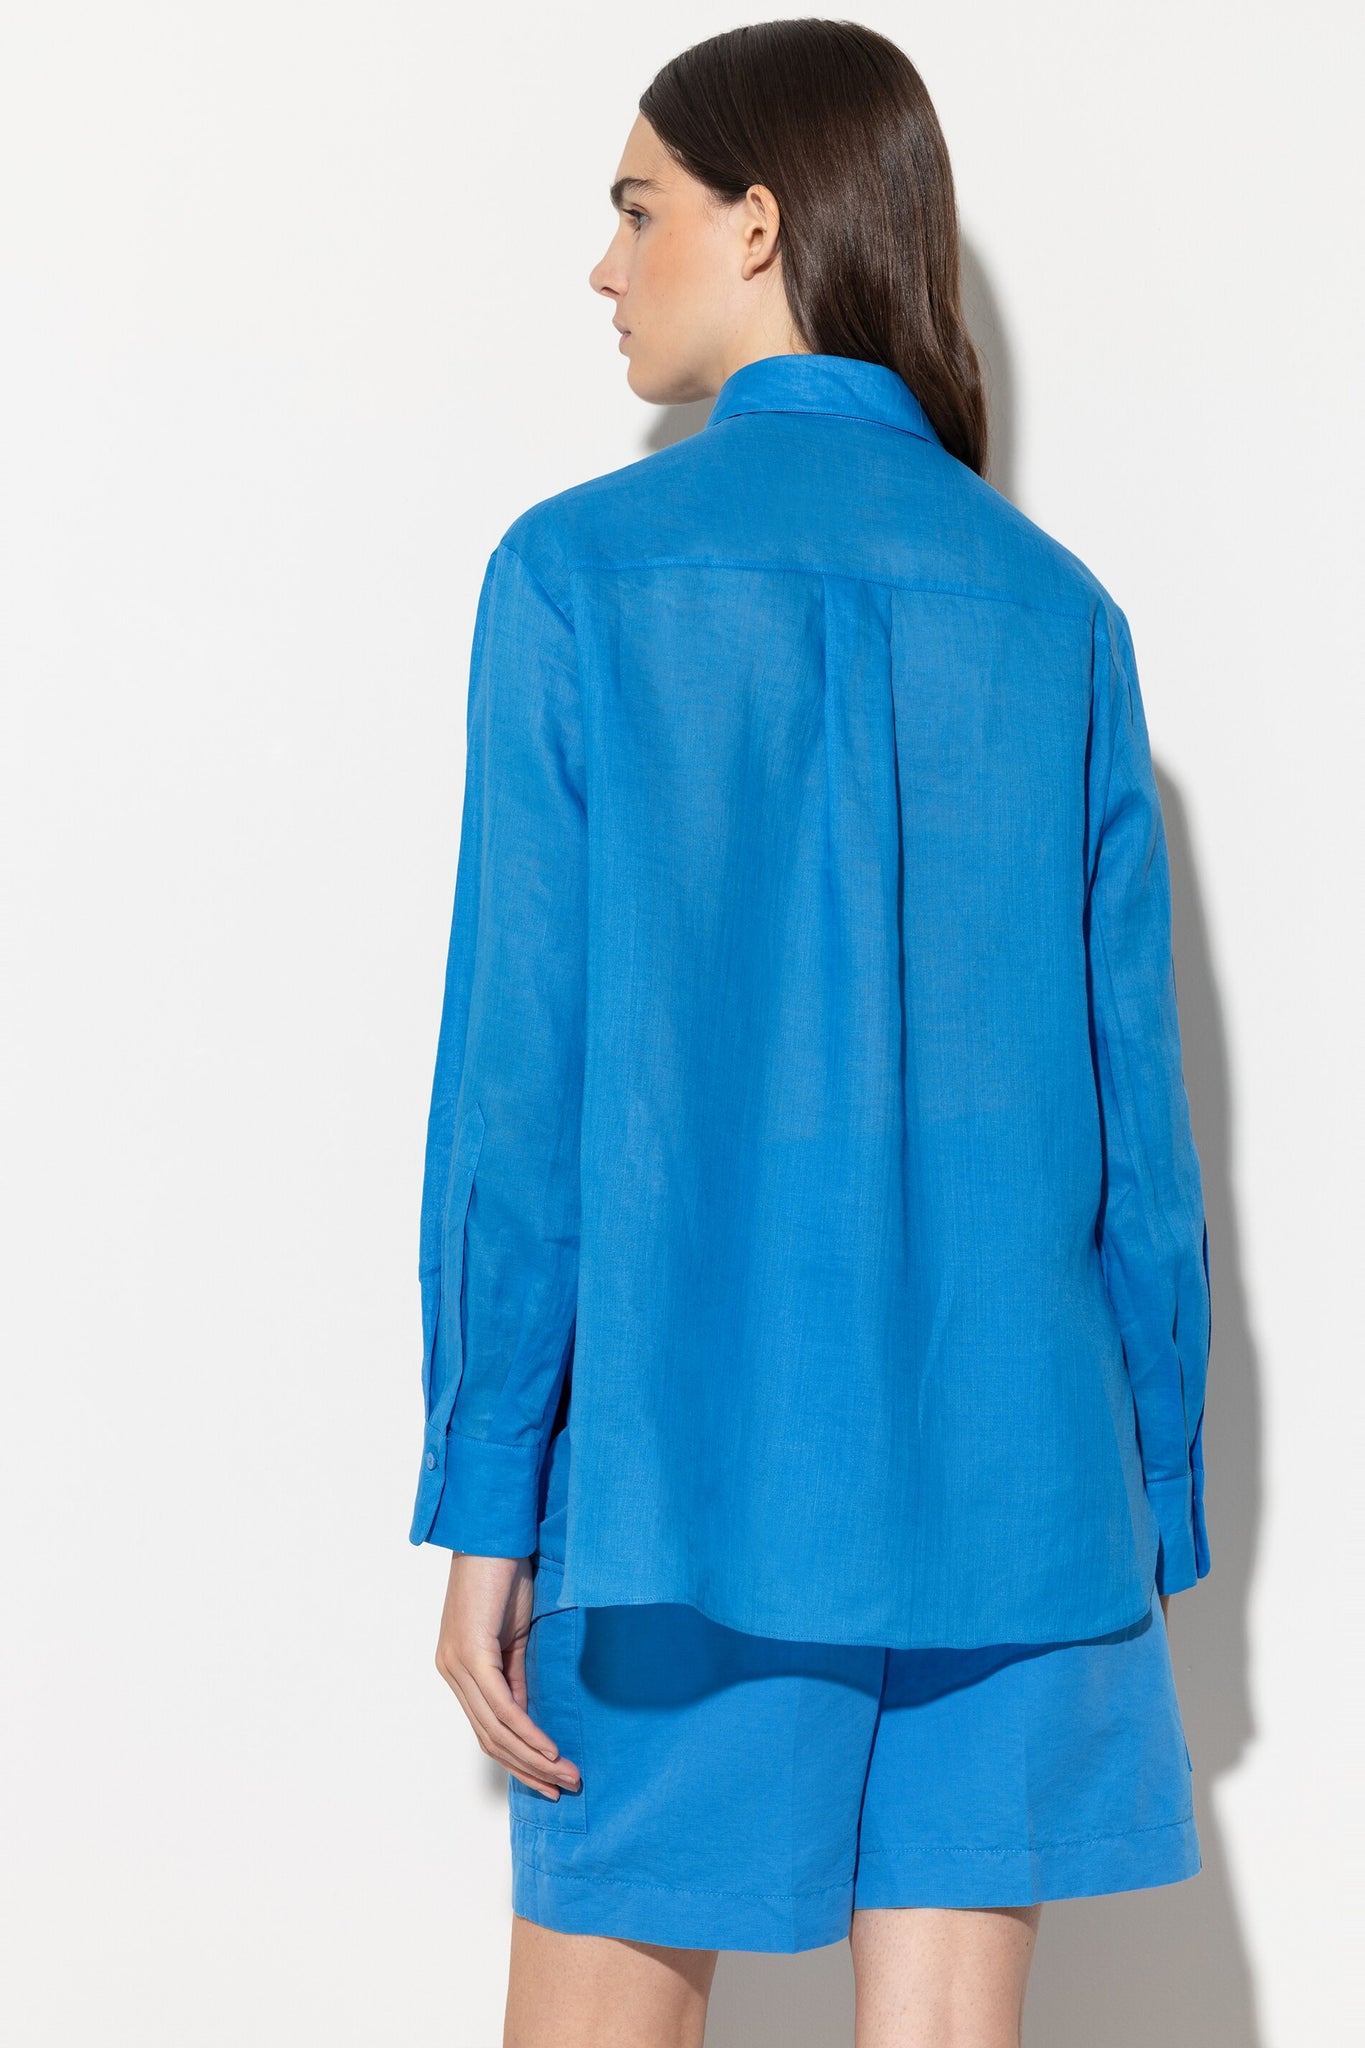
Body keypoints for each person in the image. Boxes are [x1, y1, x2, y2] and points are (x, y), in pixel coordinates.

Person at [409, 20, 1212, 2046]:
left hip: (680, 1487)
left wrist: (487, 1491)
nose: (604, 266)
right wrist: (1158, 1482)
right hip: (1022, 1489)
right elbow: (1139, 1138)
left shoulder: (575, 577)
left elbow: (523, 1090)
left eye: (636, 209)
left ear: (758, 223)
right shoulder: (1056, 612)